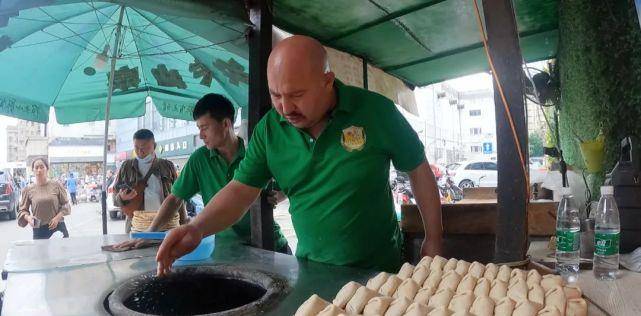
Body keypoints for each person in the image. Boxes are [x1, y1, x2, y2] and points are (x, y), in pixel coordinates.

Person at [156, 35, 443, 276]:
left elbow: (418, 170)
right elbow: (239, 191)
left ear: (327, 81)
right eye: (276, 95)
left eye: (296, 95)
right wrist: (196, 228)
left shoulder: (377, 111)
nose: (285, 107)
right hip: (312, 270)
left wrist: (434, 238)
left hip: (382, 270)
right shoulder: (269, 130)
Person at [115, 94, 290, 253]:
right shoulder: (200, 159)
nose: (200, 135)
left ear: (226, 124)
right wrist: (150, 233)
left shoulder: (254, 152)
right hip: (226, 248)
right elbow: (175, 198)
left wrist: (279, 195)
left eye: (205, 127)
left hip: (270, 244)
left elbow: (289, 185)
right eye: (199, 128)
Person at [113, 129, 186, 233]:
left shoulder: (167, 166)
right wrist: (121, 197)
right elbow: (115, 198)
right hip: (136, 226)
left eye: (143, 147)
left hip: (165, 225)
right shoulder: (126, 167)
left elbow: (179, 197)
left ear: (154, 146)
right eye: (136, 147)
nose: (139, 151)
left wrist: (183, 222)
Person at [17, 158, 71, 239]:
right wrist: (28, 218)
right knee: (40, 252)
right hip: (39, 230)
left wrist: (57, 218)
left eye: (42, 167)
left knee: (61, 251)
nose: (39, 170)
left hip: (57, 227)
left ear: (47, 169)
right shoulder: (28, 190)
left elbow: (66, 204)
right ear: (33, 170)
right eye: (36, 167)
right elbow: (22, 210)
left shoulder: (56, 185)